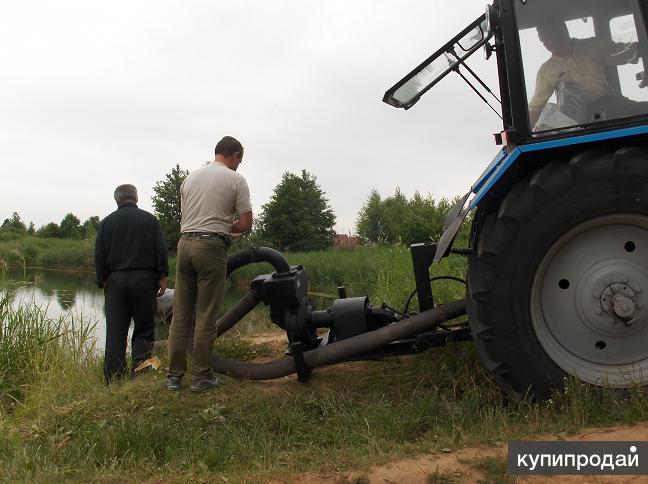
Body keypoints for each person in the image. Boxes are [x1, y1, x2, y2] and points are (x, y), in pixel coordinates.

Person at [165, 136, 253, 392]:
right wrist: (229, 227)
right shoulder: (235, 180)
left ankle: (174, 376)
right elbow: (246, 224)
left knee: (181, 314)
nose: (239, 165)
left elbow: (191, 216)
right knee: (205, 314)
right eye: (240, 160)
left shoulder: (190, 178)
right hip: (211, 247)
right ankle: (201, 376)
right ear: (234, 154)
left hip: (184, 245)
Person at [95, 184, 169, 383]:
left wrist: (103, 280)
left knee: (116, 331)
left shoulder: (106, 223)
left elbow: (100, 256)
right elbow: (160, 250)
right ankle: (141, 371)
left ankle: (113, 377)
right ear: (135, 198)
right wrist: (162, 276)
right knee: (144, 328)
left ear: (117, 199)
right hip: (145, 281)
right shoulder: (150, 220)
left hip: (116, 281)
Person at [529, 20, 644, 128]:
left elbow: (632, 51)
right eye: (543, 41)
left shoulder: (592, 46)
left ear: (563, 30)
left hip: (611, 105)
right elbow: (535, 108)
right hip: (579, 122)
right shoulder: (547, 71)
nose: (545, 44)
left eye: (548, 38)